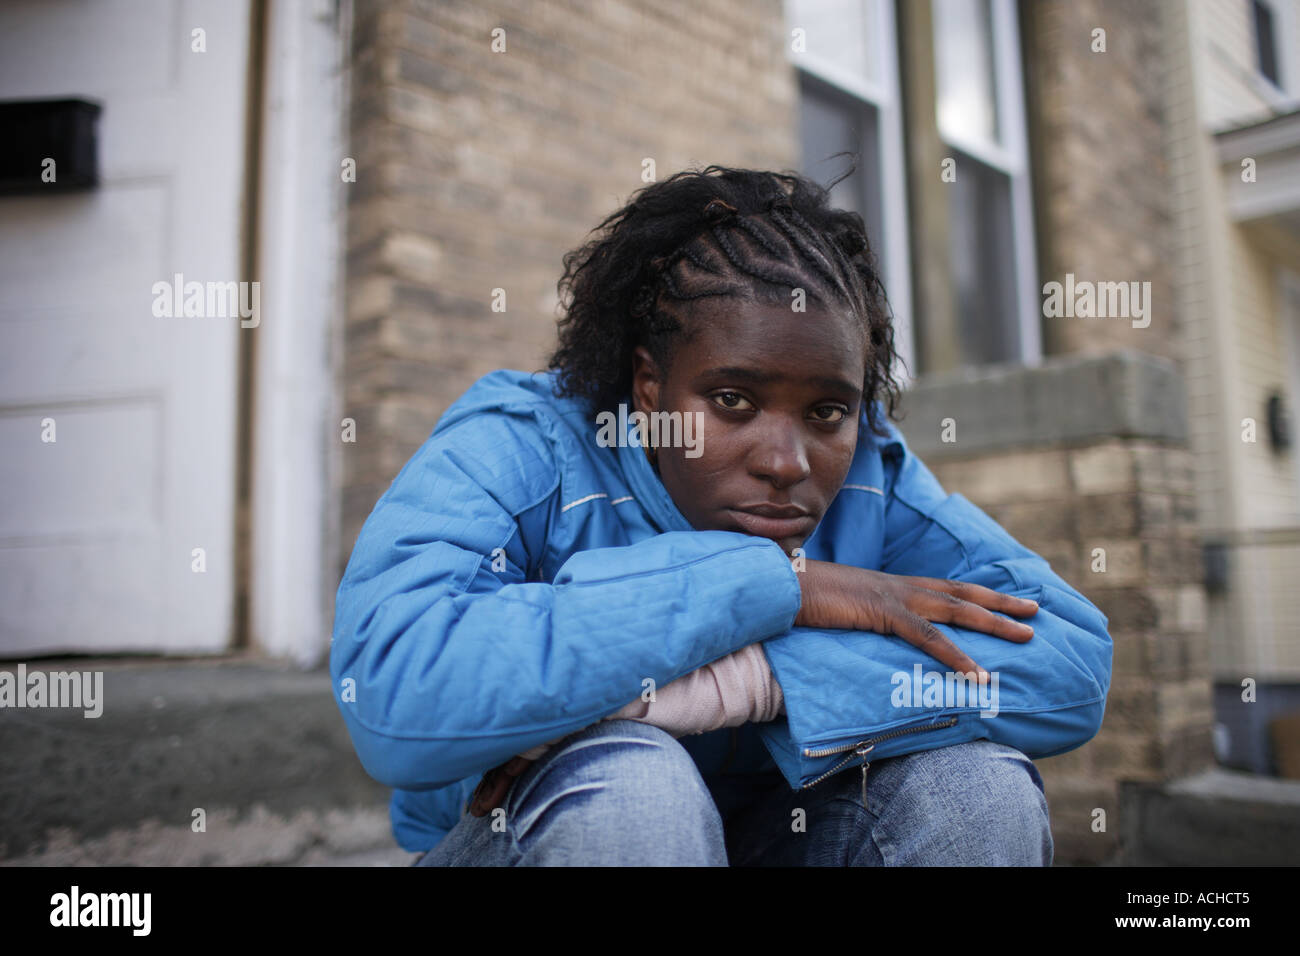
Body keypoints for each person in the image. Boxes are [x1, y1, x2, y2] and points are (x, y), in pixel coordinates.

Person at [330, 165, 1112, 866]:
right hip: (545, 840)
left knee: (976, 789)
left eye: (827, 412)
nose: (787, 461)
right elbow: (395, 687)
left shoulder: (876, 476)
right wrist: (785, 587)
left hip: (782, 837)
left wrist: (746, 679)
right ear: (649, 387)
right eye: (733, 400)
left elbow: (1068, 663)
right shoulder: (525, 447)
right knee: (635, 789)